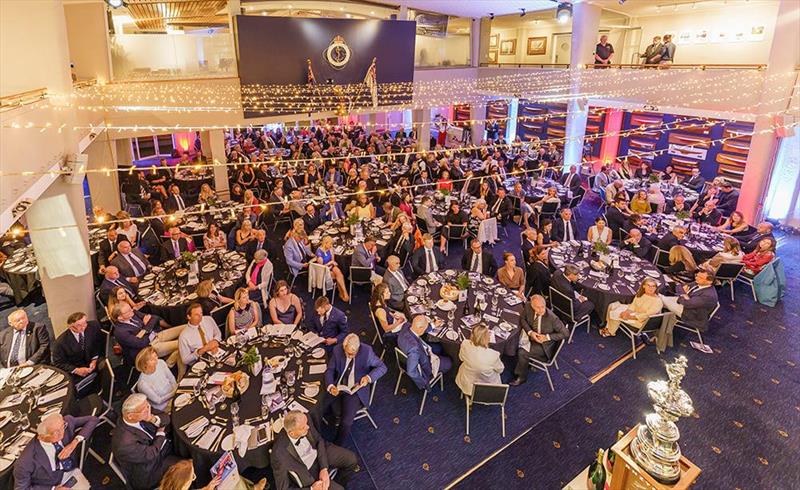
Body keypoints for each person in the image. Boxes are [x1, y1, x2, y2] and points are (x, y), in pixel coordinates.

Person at [270, 410, 359, 490]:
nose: (308, 427)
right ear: (292, 433)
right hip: (308, 471)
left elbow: (319, 440)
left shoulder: (305, 418)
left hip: (320, 452)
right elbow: (283, 488)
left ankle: (337, 482)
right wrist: (312, 489)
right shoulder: (278, 453)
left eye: (307, 424)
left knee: (351, 459)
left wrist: (324, 468)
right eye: (303, 428)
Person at [324, 334, 387, 444]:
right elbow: (330, 370)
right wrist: (330, 386)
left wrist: (368, 378)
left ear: (358, 349)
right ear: (344, 347)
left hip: (355, 391)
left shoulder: (367, 352)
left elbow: (382, 367)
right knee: (320, 404)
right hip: (338, 386)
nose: (350, 357)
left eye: (353, 354)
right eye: (348, 353)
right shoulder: (337, 350)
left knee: (346, 422)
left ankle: (337, 444)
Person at [112, 394, 180, 490]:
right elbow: (151, 454)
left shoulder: (143, 410)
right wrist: (160, 433)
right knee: (186, 466)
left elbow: (165, 418)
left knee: (184, 443)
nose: (149, 410)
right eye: (145, 410)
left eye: (148, 406)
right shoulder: (124, 443)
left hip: (159, 448)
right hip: (150, 470)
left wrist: (153, 419)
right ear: (130, 416)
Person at [14, 412, 99, 490]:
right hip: (52, 483)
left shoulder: (66, 423)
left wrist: (74, 443)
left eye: (62, 427)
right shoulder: (24, 462)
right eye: (55, 432)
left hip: (75, 469)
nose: (61, 433)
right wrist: (53, 489)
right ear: (42, 436)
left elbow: (93, 419)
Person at [510, 295, 569, 386]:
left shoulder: (553, 318)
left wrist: (547, 337)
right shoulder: (528, 306)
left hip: (544, 346)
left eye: (543, 306)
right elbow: (523, 319)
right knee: (512, 337)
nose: (541, 310)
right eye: (537, 307)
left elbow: (566, 333)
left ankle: (521, 377)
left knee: (522, 352)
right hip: (531, 335)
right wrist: (530, 332)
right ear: (532, 306)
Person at [111, 302, 183, 368]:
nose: (132, 310)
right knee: (182, 344)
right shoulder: (120, 332)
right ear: (120, 318)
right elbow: (142, 344)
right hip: (146, 349)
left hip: (155, 335)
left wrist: (144, 331)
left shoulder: (133, 314)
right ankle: (166, 365)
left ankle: (169, 362)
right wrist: (147, 327)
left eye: (130, 309)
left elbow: (154, 318)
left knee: (185, 327)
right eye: (128, 311)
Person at [52, 312, 104, 396]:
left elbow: (98, 344)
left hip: (92, 359)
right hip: (75, 367)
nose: (84, 327)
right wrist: (76, 370)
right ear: (70, 327)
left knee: (105, 367)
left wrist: (94, 360)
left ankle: (103, 391)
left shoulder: (93, 326)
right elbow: (58, 363)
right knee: (71, 390)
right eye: (79, 325)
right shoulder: (61, 343)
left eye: (85, 323)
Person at [397, 315, 453, 390]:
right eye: (426, 327)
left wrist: (433, 325)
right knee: (449, 362)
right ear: (421, 328)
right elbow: (411, 372)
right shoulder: (414, 349)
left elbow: (418, 329)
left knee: (438, 347)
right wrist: (423, 383)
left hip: (418, 350)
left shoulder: (406, 325)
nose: (427, 328)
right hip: (426, 364)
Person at [455, 324, 504, 396]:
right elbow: (500, 370)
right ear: (486, 338)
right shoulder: (493, 355)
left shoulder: (465, 344)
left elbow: (461, 358)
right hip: (487, 388)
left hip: (467, 384)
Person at [177, 303, 222, 367]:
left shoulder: (208, 319)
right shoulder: (184, 336)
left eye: (201, 313)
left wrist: (215, 341)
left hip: (217, 352)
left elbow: (218, 333)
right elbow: (185, 360)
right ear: (189, 317)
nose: (201, 316)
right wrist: (201, 351)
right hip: (200, 363)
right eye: (196, 315)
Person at [135, 346, 176, 412]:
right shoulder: (143, 383)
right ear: (144, 364)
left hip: (173, 394)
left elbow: (171, 378)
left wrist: (176, 390)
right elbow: (158, 401)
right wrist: (173, 393)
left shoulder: (161, 363)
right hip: (163, 407)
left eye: (156, 356)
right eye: (152, 359)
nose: (156, 360)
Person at [314, 235, 350, 302]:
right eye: (330, 244)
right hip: (323, 270)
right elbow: (322, 267)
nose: (331, 245)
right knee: (336, 276)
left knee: (339, 273)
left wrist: (332, 263)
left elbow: (333, 260)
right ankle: (342, 293)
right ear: (325, 243)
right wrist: (330, 263)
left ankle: (344, 293)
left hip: (330, 266)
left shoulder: (330, 249)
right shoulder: (319, 253)